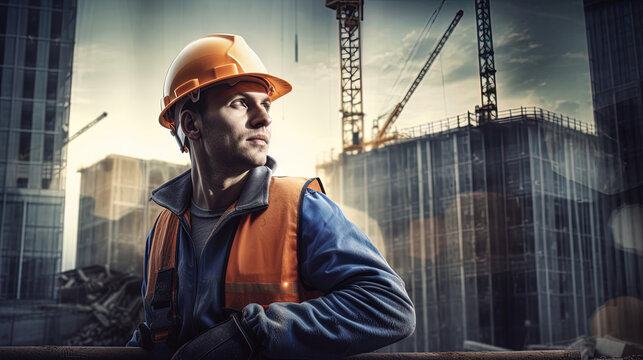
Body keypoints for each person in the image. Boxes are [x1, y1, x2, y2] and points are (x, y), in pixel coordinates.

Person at [127, 33, 415, 359]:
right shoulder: (164, 232)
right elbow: (159, 334)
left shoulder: (300, 209)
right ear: (191, 124)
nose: (263, 117)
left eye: (265, 104)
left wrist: (253, 334)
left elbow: (389, 306)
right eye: (240, 103)